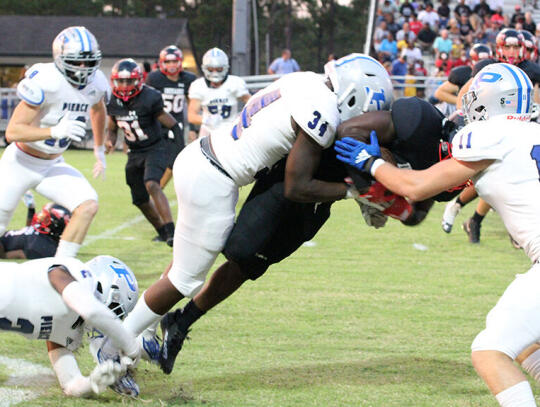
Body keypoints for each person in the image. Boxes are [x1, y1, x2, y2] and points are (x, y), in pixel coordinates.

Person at [114, 54, 394, 375]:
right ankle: (117, 341)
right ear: (354, 95)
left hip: (203, 156)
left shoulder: (305, 79)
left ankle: (141, 332)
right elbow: (296, 187)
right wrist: (355, 191)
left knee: (185, 263)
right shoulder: (324, 112)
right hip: (215, 178)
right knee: (186, 279)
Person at [335, 63, 540, 407]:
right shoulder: (532, 132)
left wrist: (369, 161)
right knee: (524, 345)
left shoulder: (489, 135)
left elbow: (415, 187)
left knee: (490, 350)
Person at [2, 26, 108, 258]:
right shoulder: (47, 80)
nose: (83, 68)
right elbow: (13, 131)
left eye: (88, 62)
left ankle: (61, 267)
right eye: (76, 62)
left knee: (87, 205)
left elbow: (99, 110)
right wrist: (53, 131)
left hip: (51, 165)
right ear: (60, 58)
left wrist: (99, 150)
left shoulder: (97, 82)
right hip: (19, 162)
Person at [446, 28, 540, 241]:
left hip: (521, 128)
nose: (512, 51)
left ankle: (476, 220)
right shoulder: (487, 68)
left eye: (516, 46)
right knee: (488, 177)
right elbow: (464, 98)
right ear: (499, 48)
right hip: (492, 129)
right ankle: (459, 208)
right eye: (508, 46)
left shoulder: (531, 70)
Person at [0, 255, 140, 397]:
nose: (108, 321)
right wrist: (130, 345)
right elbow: (92, 311)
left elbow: (70, 385)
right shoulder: (73, 273)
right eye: (112, 310)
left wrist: (92, 382)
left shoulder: (69, 323)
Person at [105, 58, 180, 246]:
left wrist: (178, 153)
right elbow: (112, 128)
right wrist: (110, 141)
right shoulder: (112, 101)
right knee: (139, 199)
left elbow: (173, 125)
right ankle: (162, 232)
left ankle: (171, 231)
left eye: (129, 81)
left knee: (152, 184)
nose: (124, 85)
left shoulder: (150, 97)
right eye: (120, 81)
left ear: (138, 80)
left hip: (155, 148)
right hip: (134, 152)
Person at [145, 45, 197, 188]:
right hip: (156, 124)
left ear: (180, 62)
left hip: (176, 126)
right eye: (167, 62)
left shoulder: (189, 79)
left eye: (174, 61)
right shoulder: (154, 78)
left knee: (175, 160)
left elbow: (191, 104)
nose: (171, 65)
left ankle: (158, 188)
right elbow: (146, 102)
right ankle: (153, 188)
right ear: (161, 63)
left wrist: (192, 128)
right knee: (153, 160)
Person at [187, 47, 251, 140]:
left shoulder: (235, 83)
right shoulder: (198, 86)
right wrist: (206, 120)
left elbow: (252, 103)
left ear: (225, 68)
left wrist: (242, 117)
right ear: (204, 68)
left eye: (219, 69)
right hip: (208, 133)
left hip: (231, 132)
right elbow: (191, 116)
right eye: (210, 69)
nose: (215, 73)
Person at [0, 202, 70, 259]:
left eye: (46, 218)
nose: (41, 218)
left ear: (56, 225)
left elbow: (6, 256)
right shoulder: (44, 234)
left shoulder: (41, 247)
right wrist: (31, 209)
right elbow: (29, 229)